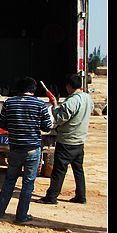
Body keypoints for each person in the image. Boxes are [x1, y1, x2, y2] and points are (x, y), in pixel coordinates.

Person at [0, 77, 53, 224]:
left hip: (15, 149)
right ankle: (21, 216)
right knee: (28, 183)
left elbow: (1, 123)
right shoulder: (40, 104)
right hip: (32, 149)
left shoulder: (9, 103)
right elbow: (47, 126)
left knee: (9, 181)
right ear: (33, 89)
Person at [38, 74, 93, 204]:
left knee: (58, 171)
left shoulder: (71, 101)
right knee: (78, 170)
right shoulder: (87, 98)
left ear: (69, 86)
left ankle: (51, 197)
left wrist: (55, 105)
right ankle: (81, 196)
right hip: (79, 141)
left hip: (67, 141)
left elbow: (59, 118)